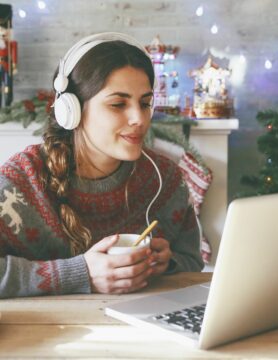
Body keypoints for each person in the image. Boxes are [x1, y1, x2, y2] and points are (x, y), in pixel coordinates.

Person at [0, 32, 204, 298]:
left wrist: (167, 263)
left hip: (144, 331)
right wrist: (80, 274)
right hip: (48, 333)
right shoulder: (20, 181)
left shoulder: (166, 179)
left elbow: (193, 263)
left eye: (144, 103)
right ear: (71, 110)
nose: (139, 119)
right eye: (118, 104)